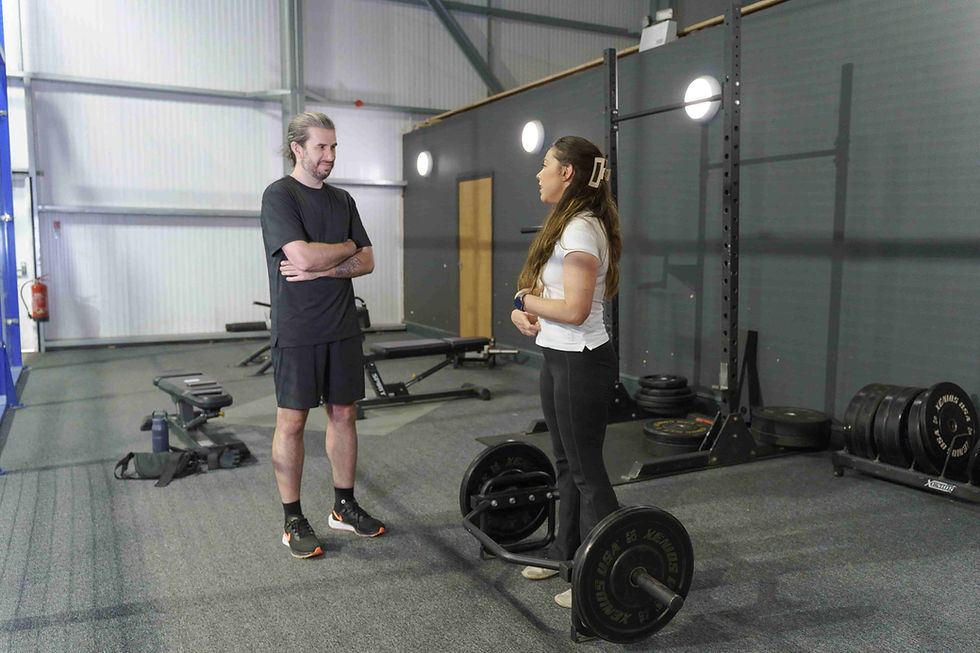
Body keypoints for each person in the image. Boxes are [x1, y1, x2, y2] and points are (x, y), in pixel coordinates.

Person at [260, 111, 385, 559]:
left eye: (334, 147)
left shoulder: (343, 199)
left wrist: (329, 261)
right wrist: (343, 252)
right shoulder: (279, 197)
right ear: (298, 148)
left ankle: (343, 506)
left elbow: (368, 260)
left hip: (341, 326)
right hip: (297, 329)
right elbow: (301, 257)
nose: (330, 155)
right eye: (321, 147)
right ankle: (293, 518)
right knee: (292, 422)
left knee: (344, 415)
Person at [510, 135, 623, 607]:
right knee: (564, 463)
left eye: (545, 166)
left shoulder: (580, 228)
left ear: (567, 174)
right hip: (557, 354)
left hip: (581, 358)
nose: (538, 173)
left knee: (586, 470)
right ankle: (566, 552)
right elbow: (548, 295)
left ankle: (605, 573)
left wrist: (521, 300)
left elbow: (575, 309)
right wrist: (525, 313)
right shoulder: (568, 224)